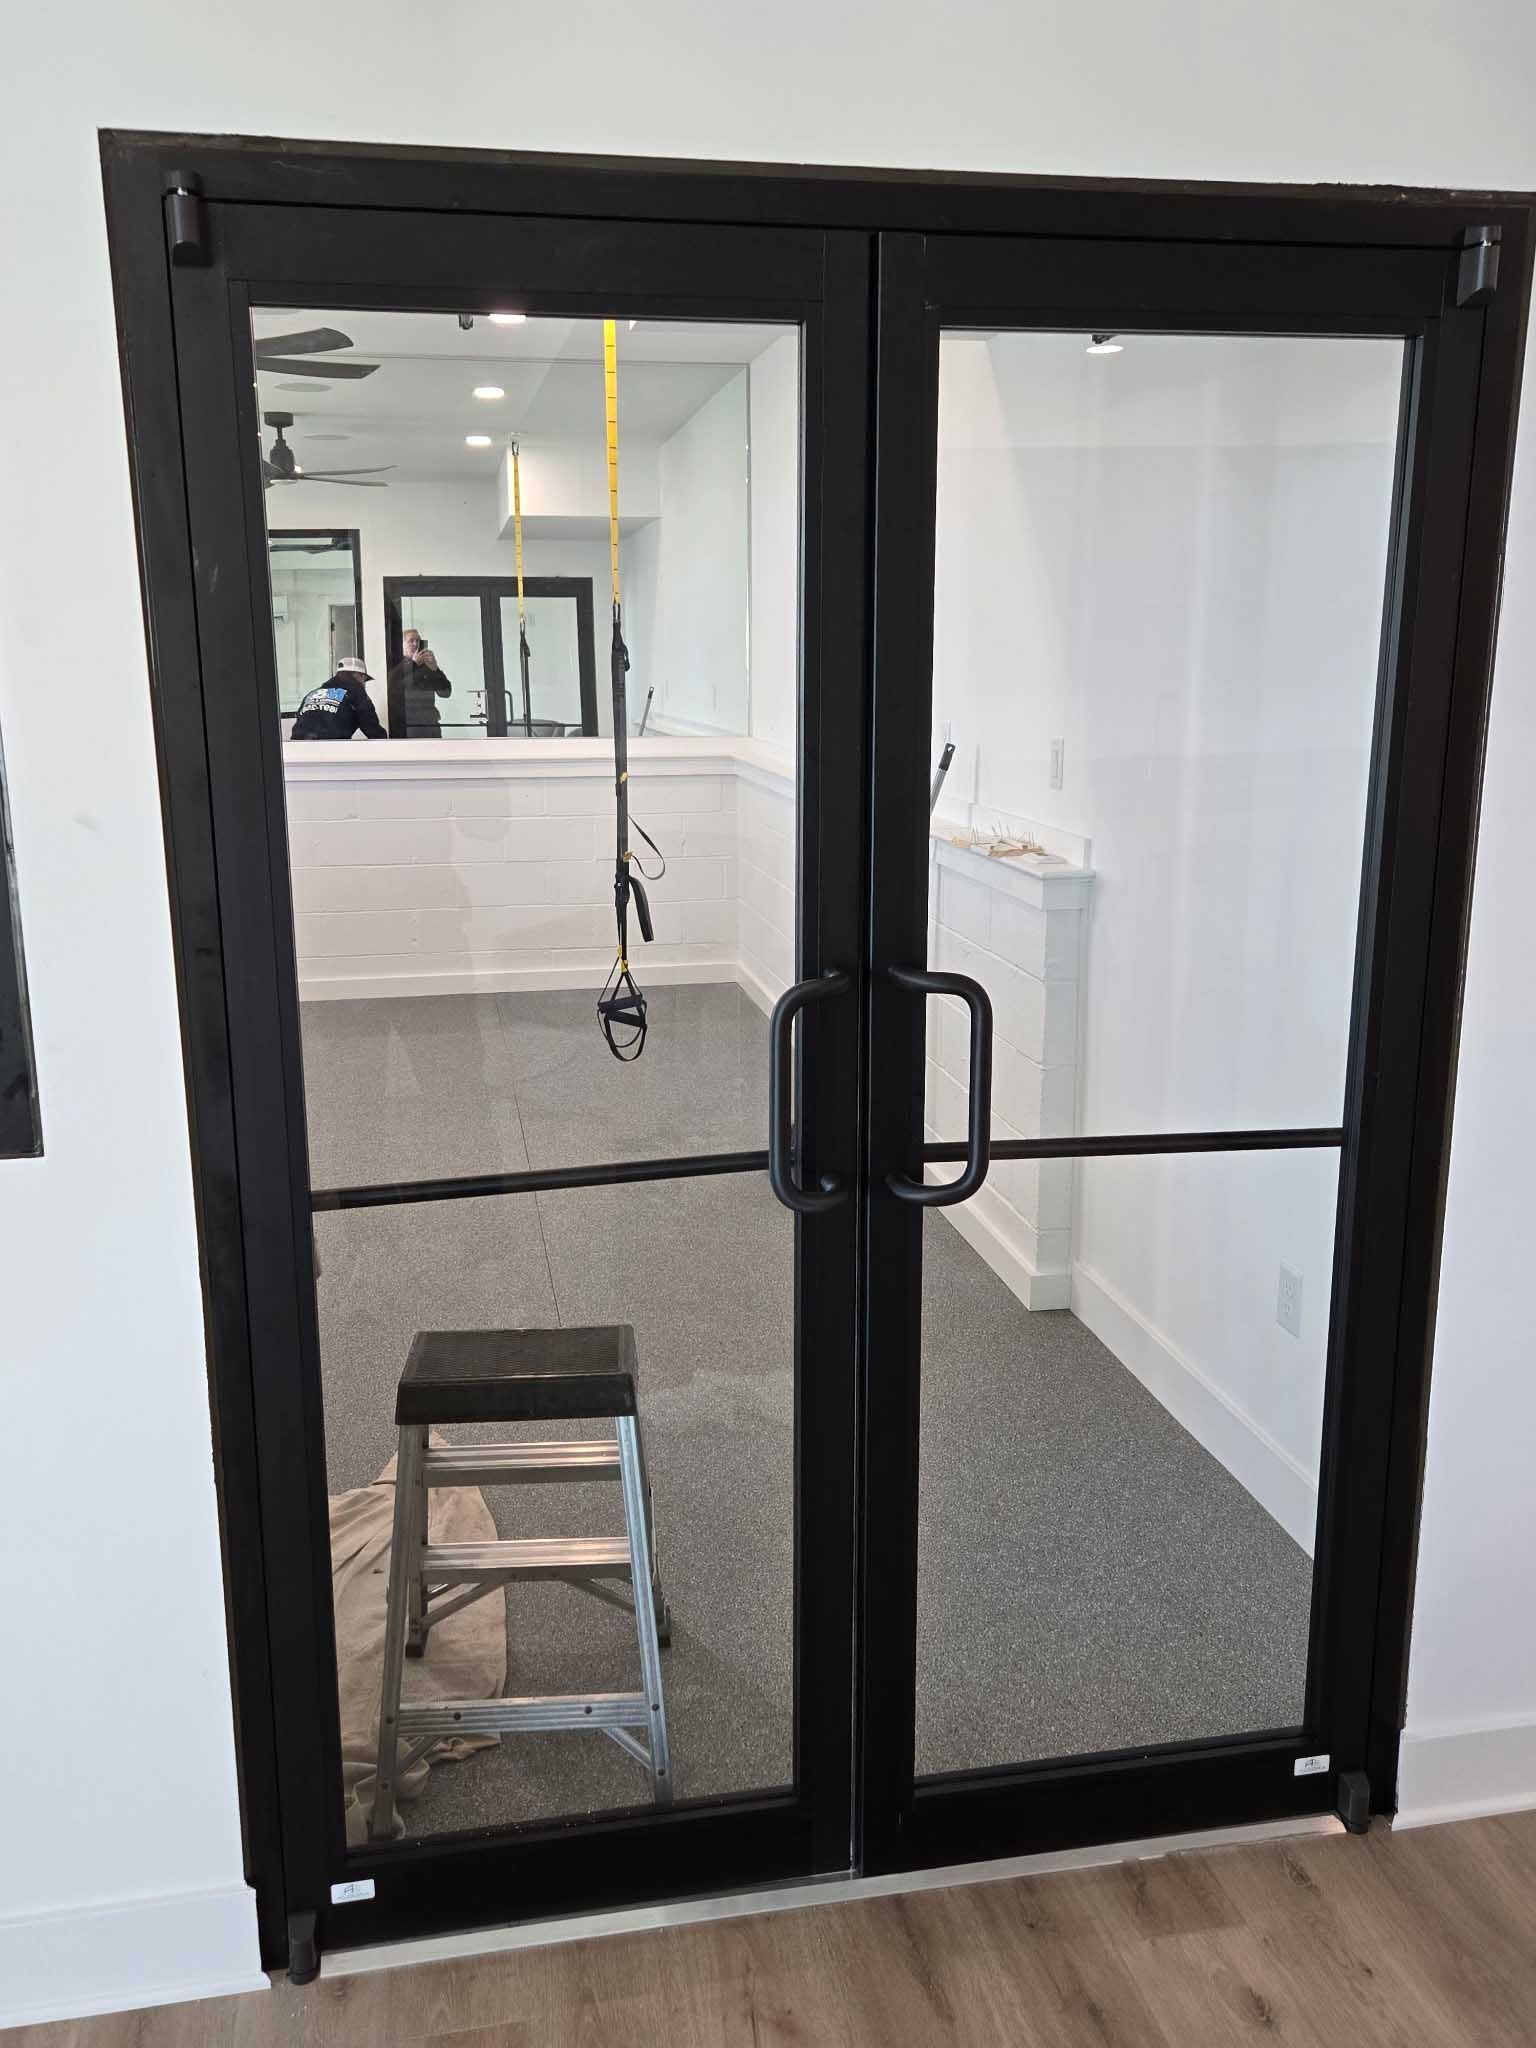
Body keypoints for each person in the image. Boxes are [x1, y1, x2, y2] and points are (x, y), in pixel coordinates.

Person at [289, 656, 386, 740]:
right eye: (364, 679)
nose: (363, 684)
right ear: (358, 675)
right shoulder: (356, 692)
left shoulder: (313, 693)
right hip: (332, 748)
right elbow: (370, 725)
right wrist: (386, 746)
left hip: (299, 747)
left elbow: (300, 717)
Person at [388, 628, 453, 738]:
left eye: (418, 641)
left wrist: (435, 669)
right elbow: (393, 689)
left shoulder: (427, 667)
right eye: (411, 641)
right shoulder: (397, 666)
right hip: (407, 726)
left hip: (430, 725)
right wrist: (413, 664)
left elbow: (445, 693)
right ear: (402, 645)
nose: (415, 644)